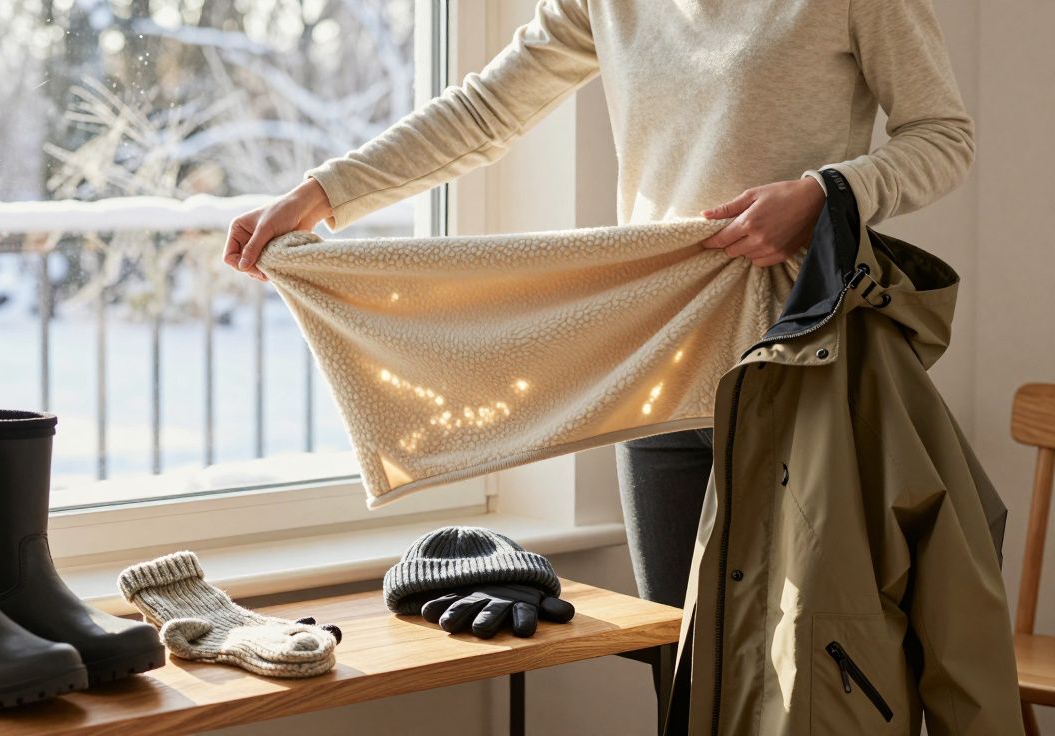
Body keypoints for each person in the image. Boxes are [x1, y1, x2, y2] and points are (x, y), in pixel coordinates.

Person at [222, 0, 973, 609]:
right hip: (654, 356)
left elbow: (943, 137)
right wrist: (321, 194)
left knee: (806, 674)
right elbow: (485, 111)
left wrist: (824, 194)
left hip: (796, 355)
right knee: (676, 659)